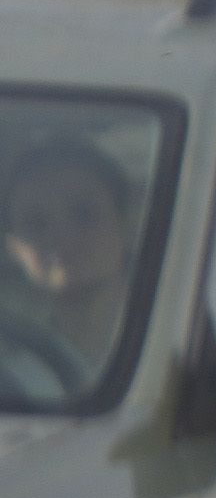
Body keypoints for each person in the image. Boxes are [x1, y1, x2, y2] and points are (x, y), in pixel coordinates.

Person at [0, 138, 141, 388]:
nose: (62, 238)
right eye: (36, 223)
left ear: (126, 225)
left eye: (84, 214)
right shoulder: (11, 369)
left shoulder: (183, 331)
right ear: (13, 249)